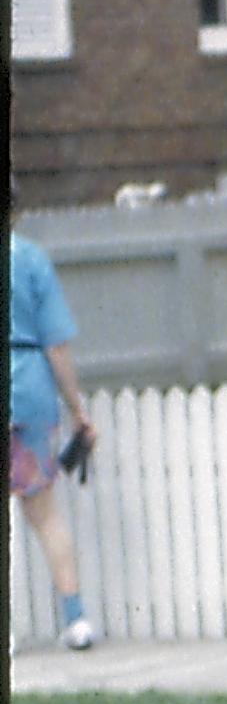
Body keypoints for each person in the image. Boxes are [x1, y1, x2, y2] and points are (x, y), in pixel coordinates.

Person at [11, 223, 100, 649]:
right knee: (45, 513)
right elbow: (57, 345)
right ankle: (75, 618)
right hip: (29, 390)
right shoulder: (30, 259)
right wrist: (77, 409)